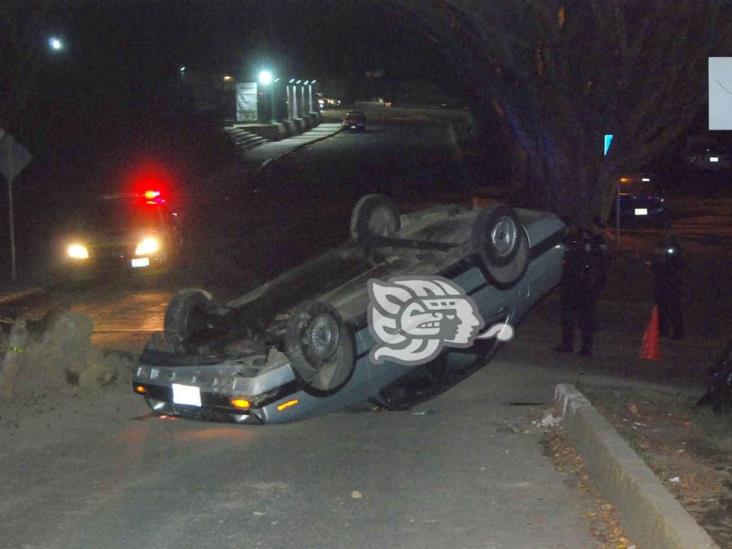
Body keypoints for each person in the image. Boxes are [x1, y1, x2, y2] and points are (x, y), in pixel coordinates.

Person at [554, 222, 610, 356]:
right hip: (572, 283)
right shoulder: (571, 240)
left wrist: (594, 282)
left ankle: (586, 347)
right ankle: (569, 344)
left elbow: (600, 264)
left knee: (584, 317)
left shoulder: (591, 242)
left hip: (584, 284)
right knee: (569, 316)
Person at [651, 230, 684, 340]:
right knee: (661, 306)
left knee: (673, 307)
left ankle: (678, 331)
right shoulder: (659, 246)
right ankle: (663, 330)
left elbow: (679, 263)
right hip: (660, 279)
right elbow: (654, 261)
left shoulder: (675, 247)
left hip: (671, 280)